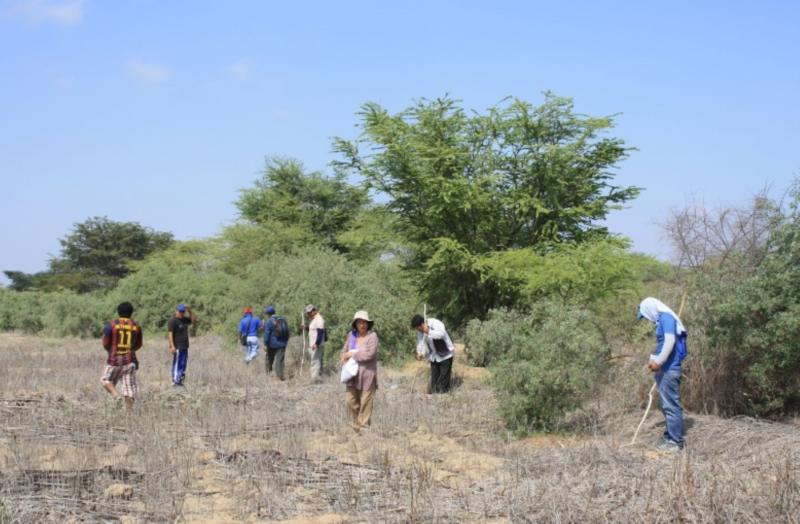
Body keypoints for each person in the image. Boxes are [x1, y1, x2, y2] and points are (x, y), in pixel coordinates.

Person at [638, 297, 688, 451]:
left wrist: (658, 362)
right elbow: (663, 345)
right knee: (666, 406)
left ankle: (675, 442)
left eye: (646, 315)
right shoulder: (662, 320)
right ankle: (669, 436)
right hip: (663, 369)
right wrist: (654, 360)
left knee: (671, 406)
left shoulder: (666, 318)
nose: (647, 319)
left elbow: (669, 342)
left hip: (668, 369)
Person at [340, 311, 379, 431]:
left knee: (366, 402)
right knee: (350, 401)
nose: (362, 325)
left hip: (367, 374)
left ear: (368, 324)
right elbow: (344, 351)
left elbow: (369, 354)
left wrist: (352, 354)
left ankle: (364, 426)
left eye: (364, 322)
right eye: (359, 322)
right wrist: (343, 357)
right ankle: (357, 423)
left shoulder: (372, 336)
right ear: (355, 324)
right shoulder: (351, 335)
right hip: (352, 375)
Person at [101, 302, 143, 410]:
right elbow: (138, 344)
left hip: (114, 360)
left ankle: (116, 396)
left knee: (105, 380)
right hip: (130, 361)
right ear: (131, 313)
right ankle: (128, 413)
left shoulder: (112, 325)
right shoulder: (136, 326)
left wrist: (110, 351)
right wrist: (130, 350)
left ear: (118, 312)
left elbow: (105, 342)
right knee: (129, 389)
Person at [411, 315, 455, 394]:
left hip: (445, 355)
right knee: (433, 385)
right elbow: (421, 343)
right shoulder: (420, 331)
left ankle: (443, 398)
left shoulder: (436, 323)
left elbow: (441, 334)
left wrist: (428, 331)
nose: (418, 330)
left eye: (418, 328)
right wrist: (420, 353)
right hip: (434, 356)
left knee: (443, 382)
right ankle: (435, 396)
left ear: (421, 324)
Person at [167, 303, 196, 387]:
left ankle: (180, 380)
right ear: (176, 311)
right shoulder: (172, 321)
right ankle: (175, 381)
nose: (181, 313)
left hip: (185, 346)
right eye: (180, 311)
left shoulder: (184, 319)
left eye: (183, 311)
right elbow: (170, 334)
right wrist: (172, 346)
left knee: (183, 363)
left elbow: (193, 321)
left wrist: (190, 311)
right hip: (177, 346)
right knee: (177, 363)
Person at [263, 305, 289, 380]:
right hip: (282, 344)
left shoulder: (269, 321)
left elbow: (266, 334)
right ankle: (280, 376)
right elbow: (287, 332)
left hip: (272, 344)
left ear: (268, 314)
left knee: (269, 359)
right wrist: (285, 342)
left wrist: (265, 344)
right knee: (280, 360)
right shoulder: (283, 319)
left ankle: (268, 374)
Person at [303, 304, 326, 380]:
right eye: (308, 313)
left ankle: (314, 379)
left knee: (315, 362)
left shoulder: (319, 319)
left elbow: (320, 332)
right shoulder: (314, 319)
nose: (308, 314)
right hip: (315, 345)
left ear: (314, 310)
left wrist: (316, 344)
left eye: (310, 312)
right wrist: (305, 327)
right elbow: (312, 330)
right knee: (318, 361)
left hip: (316, 345)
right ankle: (319, 377)